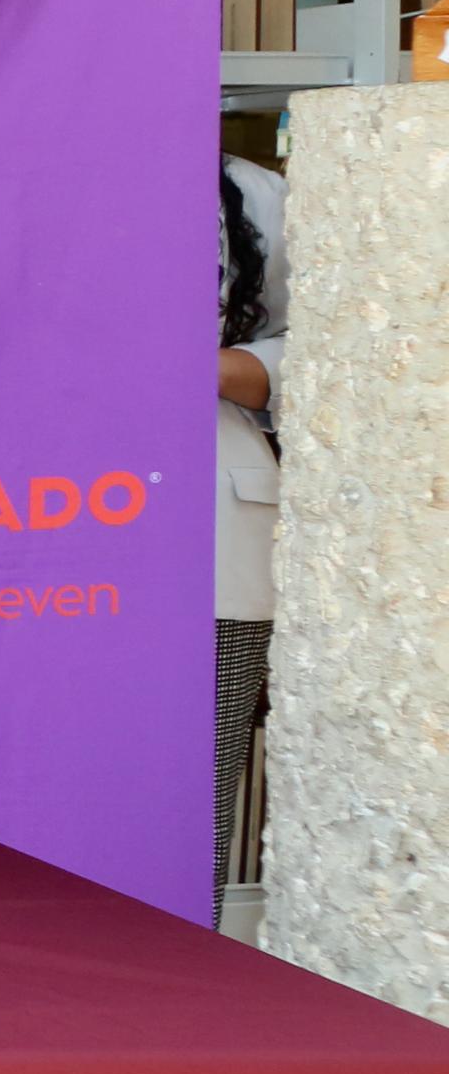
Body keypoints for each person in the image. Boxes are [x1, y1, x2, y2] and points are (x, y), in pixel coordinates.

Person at [216, 154, 289, 923]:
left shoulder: (249, 191)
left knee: (191, 803)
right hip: (33, 529)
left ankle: (175, 1019)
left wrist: (208, 368)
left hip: (215, 529)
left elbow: (338, 338)